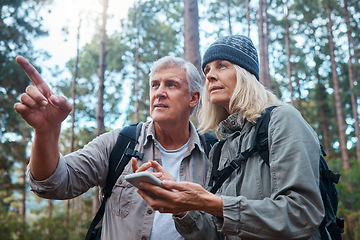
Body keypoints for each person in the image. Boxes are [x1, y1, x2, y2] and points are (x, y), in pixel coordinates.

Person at [134, 35, 325, 239]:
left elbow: (302, 213)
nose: (210, 76)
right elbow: (213, 235)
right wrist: (182, 206)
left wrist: (210, 203)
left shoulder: (282, 120)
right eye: (206, 70)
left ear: (245, 73)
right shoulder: (219, 148)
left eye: (221, 66)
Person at [14, 55, 214, 240]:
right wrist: (46, 132)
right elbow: (53, 183)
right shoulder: (119, 142)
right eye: (154, 85)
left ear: (193, 98)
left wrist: (183, 208)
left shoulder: (215, 154)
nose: (159, 93)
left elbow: (225, 230)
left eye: (171, 85)